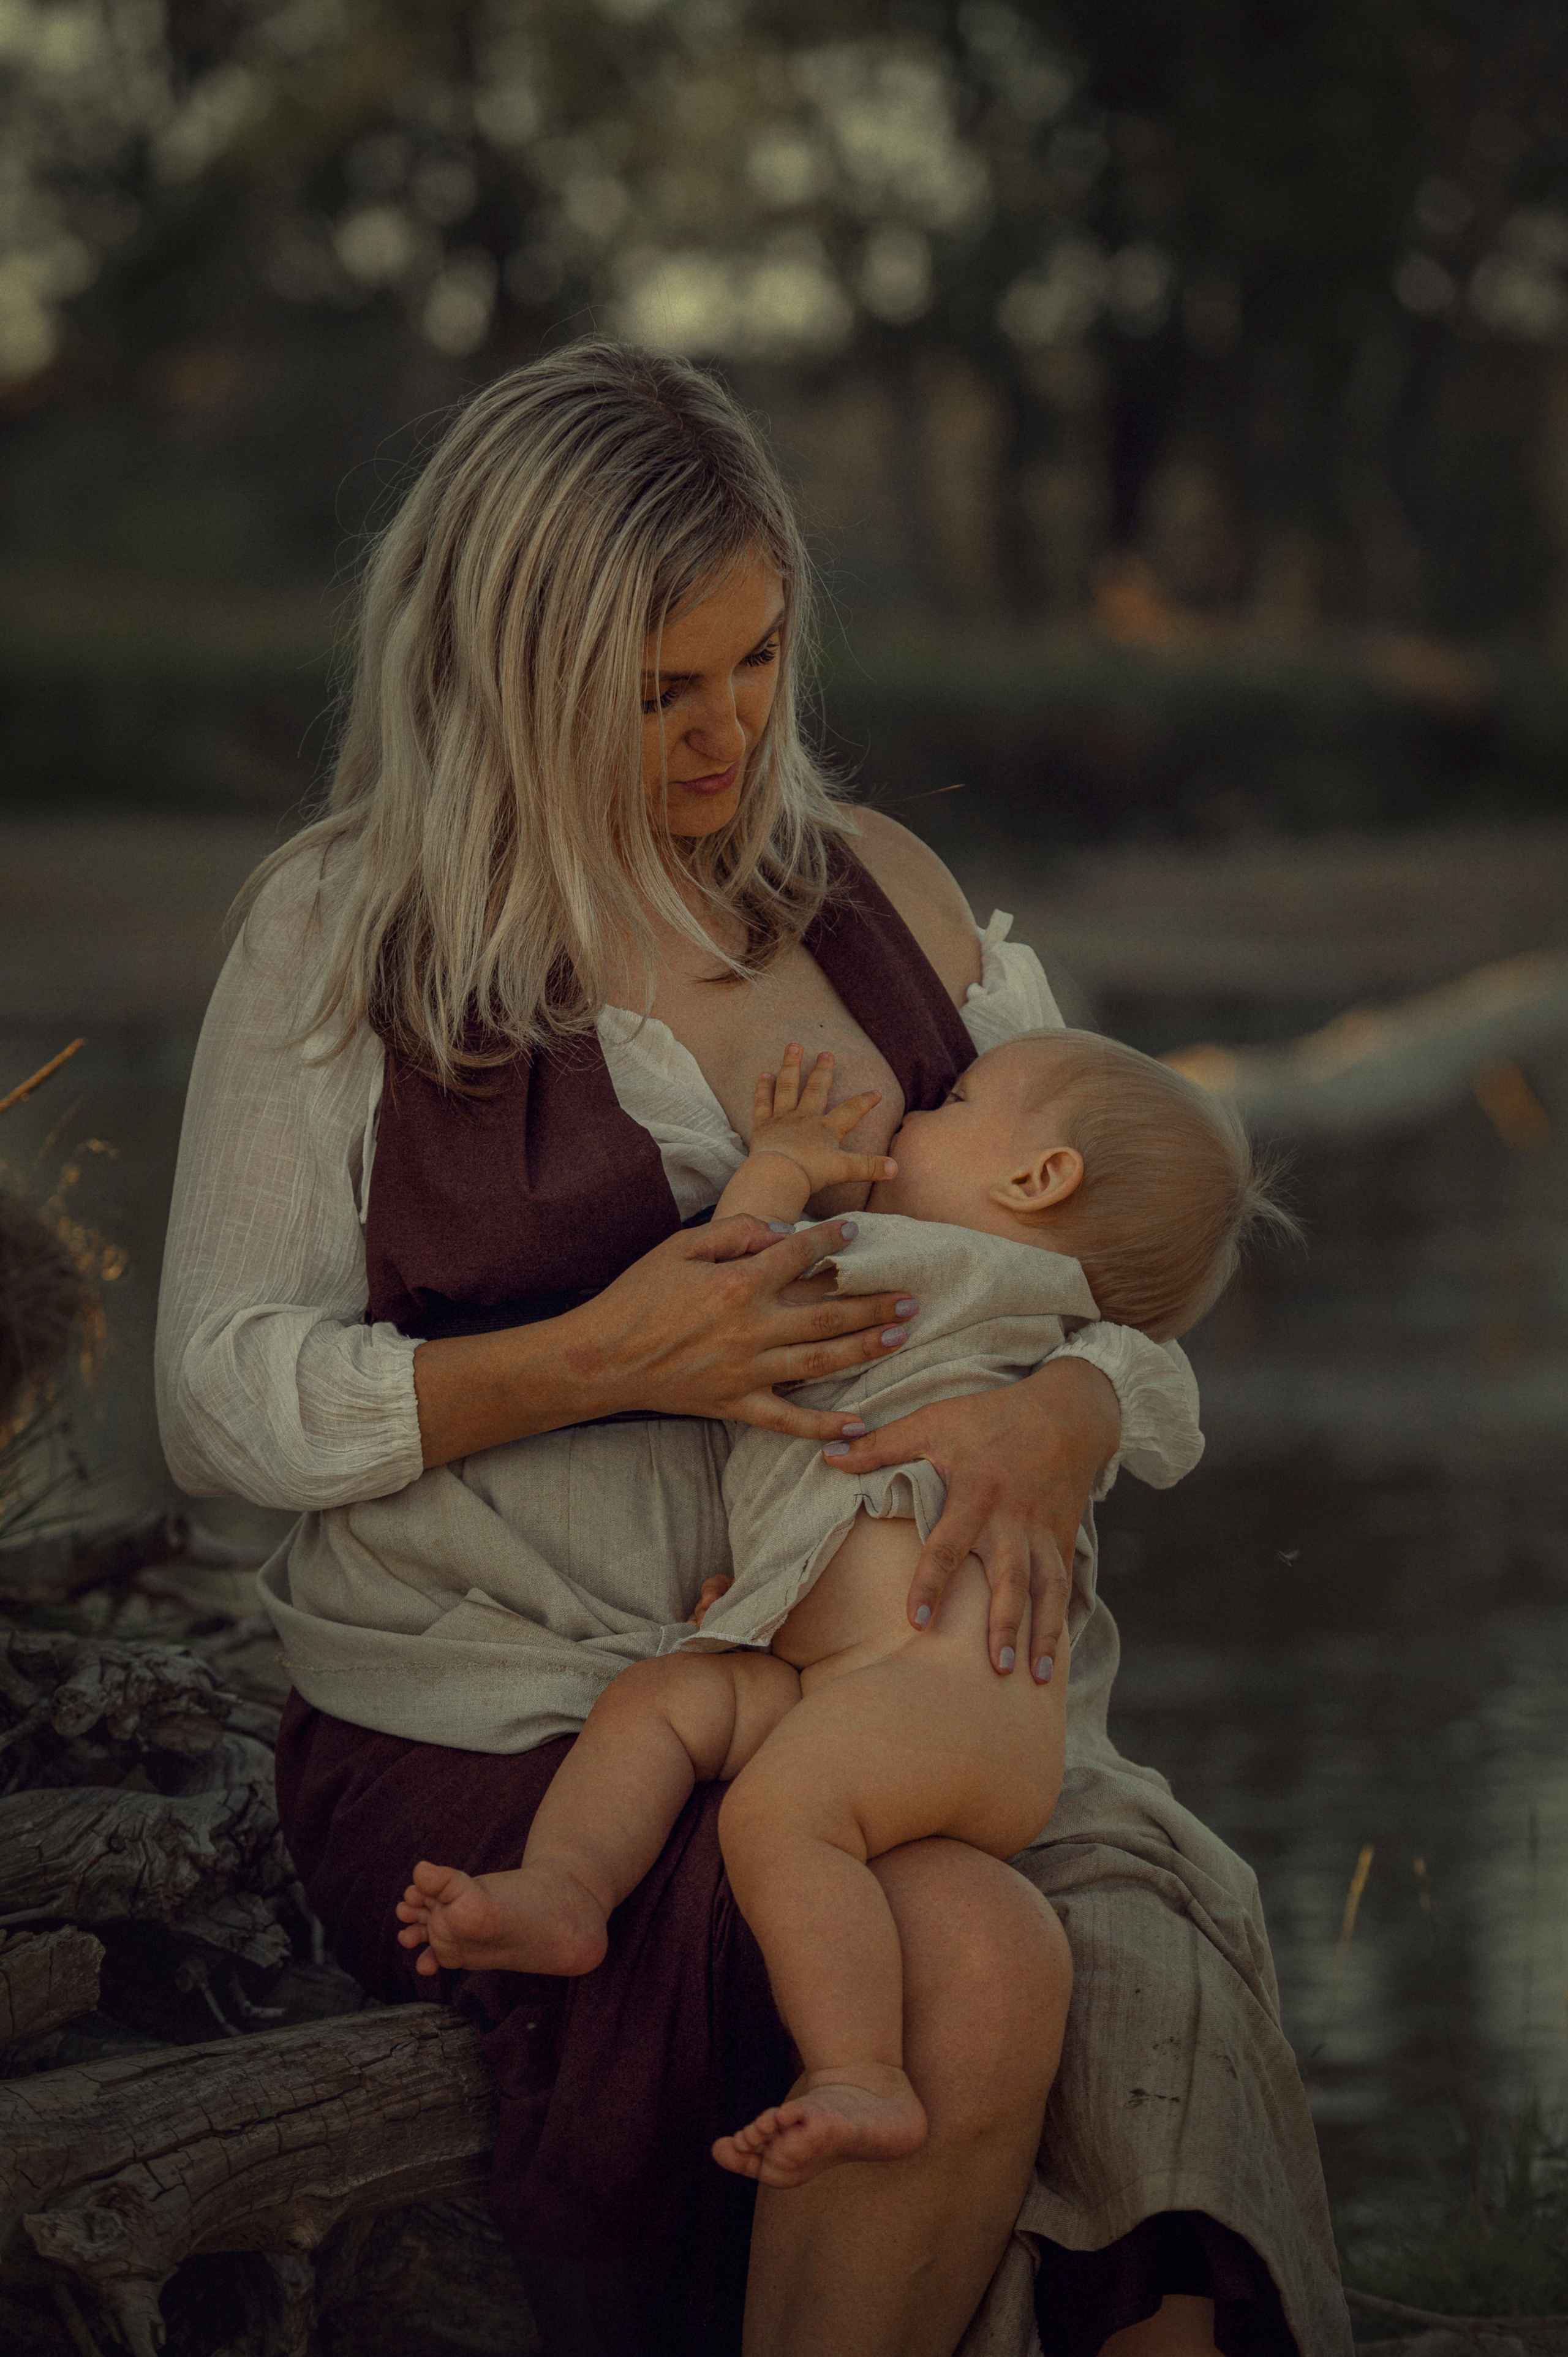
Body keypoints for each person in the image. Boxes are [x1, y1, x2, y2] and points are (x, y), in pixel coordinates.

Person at [155, 340, 1349, 2357]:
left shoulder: (881, 891)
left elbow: (1113, 1247)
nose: (728, 735)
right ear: (520, 669)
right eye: (656, 694)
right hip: (508, 1717)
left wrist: (1069, 1415)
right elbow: (215, 1393)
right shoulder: (347, 928)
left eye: (758, 661)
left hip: (865, 1690)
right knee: (978, 1963)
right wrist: (593, 1356)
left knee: (1132, 1945)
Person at [394, 1027, 1294, 2201]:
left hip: (936, 1699)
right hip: (863, 1683)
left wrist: (779, 1163)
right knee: (666, 1701)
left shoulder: (936, 1264)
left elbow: (737, 1272)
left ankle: (861, 2070)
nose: (920, 1110)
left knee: (778, 1817)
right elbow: (1158, 1397)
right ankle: (569, 1891)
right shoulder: (1040, 1330)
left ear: (1035, 1180)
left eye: (957, 1098)